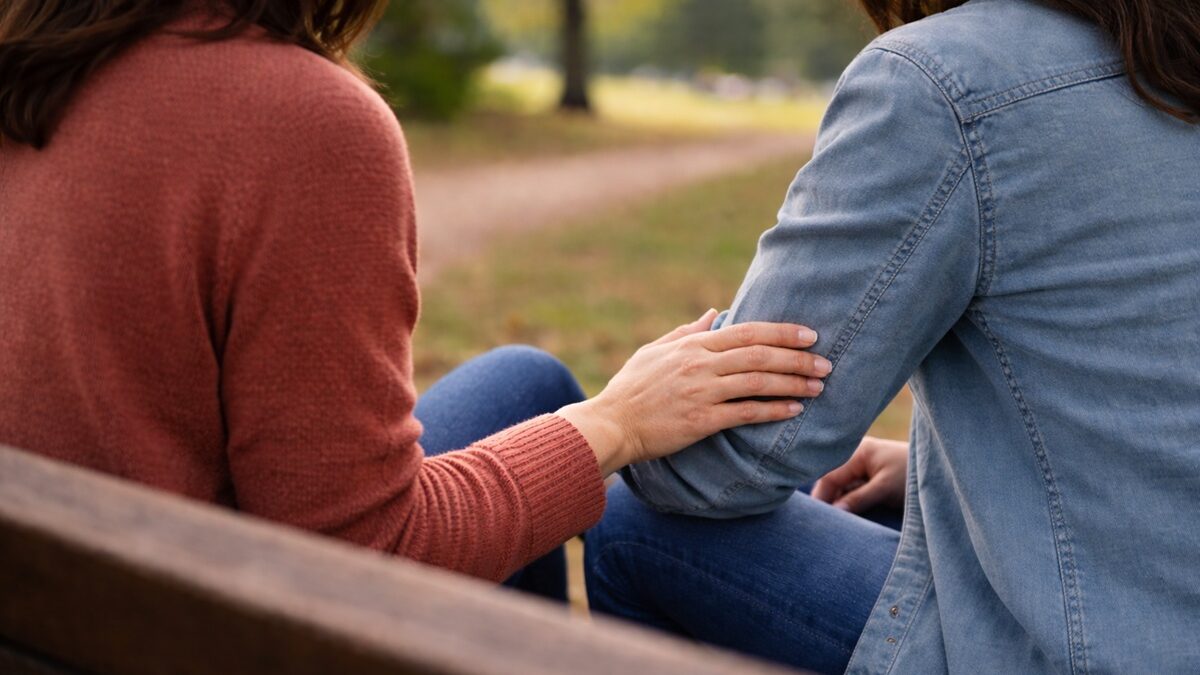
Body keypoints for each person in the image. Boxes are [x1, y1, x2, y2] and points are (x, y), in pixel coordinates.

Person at [0, 0, 833, 600]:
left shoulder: (36, 67)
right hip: (194, 624)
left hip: (56, 606)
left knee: (523, 381)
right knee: (549, 402)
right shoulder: (301, 123)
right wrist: (620, 423)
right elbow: (359, 557)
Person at [587, 0, 1200, 672]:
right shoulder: (1174, 58)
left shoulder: (946, 82)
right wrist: (934, 474)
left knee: (630, 523)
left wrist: (615, 425)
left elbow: (732, 465)